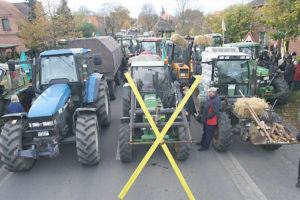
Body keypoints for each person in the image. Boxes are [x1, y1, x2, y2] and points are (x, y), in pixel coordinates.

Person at [196, 87, 221, 151]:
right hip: (206, 120)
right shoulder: (210, 98)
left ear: (214, 92)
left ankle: (205, 147)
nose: (209, 93)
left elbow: (215, 111)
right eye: (209, 92)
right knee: (205, 132)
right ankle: (202, 142)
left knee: (208, 134)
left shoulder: (217, 100)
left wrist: (207, 116)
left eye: (210, 92)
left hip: (211, 120)